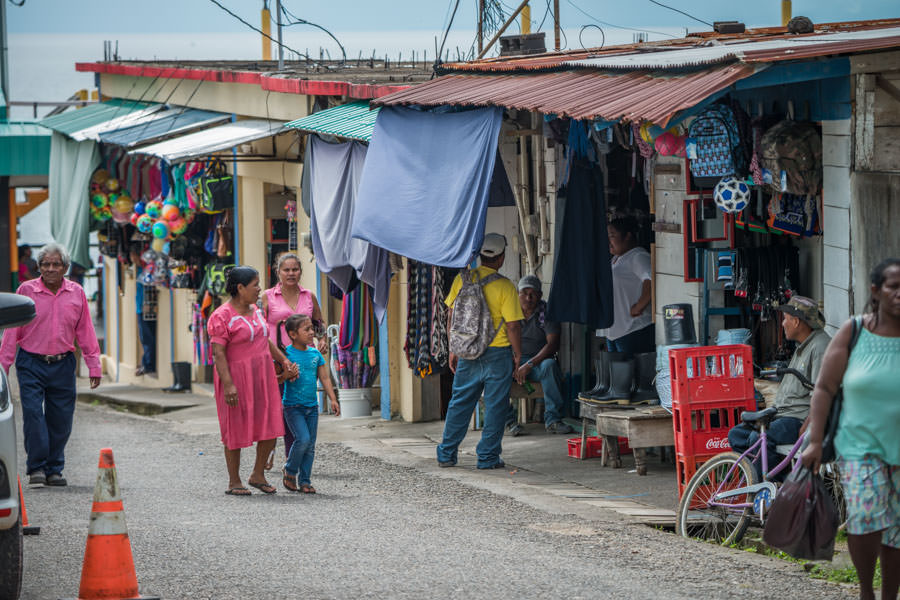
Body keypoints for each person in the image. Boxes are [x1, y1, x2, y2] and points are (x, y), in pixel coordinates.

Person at [802, 258, 900, 600]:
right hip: (860, 447)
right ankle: (865, 591)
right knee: (865, 516)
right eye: (894, 286)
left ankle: (890, 594)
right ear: (876, 291)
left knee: (897, 531)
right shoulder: (855, 332)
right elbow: (824, 388)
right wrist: (815, 441)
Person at [0, 243, 101, 487]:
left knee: (61, 419)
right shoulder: (26, 290)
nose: (51, 269)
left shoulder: (76, 293)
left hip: (63, 363)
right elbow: (13, 331)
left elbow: (85, 330)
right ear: (39, 267)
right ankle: (36, 468)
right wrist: (4, 366)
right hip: (31, 363)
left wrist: (93, 365)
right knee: (34, 415)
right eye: (45, 264)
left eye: (56, 264)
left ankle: (54, 468)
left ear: (65, 267)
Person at [436, 233, 524, 470]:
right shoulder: (505, 286)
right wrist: (518, 355)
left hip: (467, 352)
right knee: (496, 406)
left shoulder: (462, 279)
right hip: (497, 354)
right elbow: (513, 325)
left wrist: (454, 348)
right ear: (501, 257)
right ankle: (487, 457)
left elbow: (451, 315)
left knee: (460, 403)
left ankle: (446, 454)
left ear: (480, 255)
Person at [208, 266, 297, 496]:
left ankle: (258, 474)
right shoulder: (221, 315)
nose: (259, 289)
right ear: (240, 288)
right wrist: (228, 384)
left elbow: (265, 340)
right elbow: (219, 353)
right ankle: (234, 481)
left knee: (270, 422)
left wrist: (284, 360)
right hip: (235, 378)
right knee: (234, 426)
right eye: (255, 285)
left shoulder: (257, 310)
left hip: (262, 375)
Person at [728, 296, 830, 477]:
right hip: (781, 415)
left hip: (796, 419)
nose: (783, 324)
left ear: (797, 322)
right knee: (736, 435)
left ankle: (758, 496)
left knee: (758, 439)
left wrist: (807, 426)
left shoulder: (819, 347)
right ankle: (775, 481)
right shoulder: (803, 346)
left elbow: (822, 396)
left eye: (786, 319)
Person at [261, 252, 328, 469]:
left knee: (296, 407)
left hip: (302, 361)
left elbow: (318, 323)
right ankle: (269, 451)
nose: (291, 273)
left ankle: (293, 458)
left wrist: (322, 338)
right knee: (275, 409)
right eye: (286, 270)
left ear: (300, 271)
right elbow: (259, 329)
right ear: (278, 272)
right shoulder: (268, 297)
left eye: (295, 269)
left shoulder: (309, 296)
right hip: (276, 362)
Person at [278, 313, 340, 494]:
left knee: (310, 445)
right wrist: (286, 374)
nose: (311, 332)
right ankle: (290, 470)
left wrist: (333, 399)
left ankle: (305, 481)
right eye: (306, 329)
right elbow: (279, 379)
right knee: (302, 439)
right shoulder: (286, 355)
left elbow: (325, 377)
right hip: (292, 407)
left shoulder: (315, 354)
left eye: (312, 329)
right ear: (293, 334)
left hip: (312, 407)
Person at [505, 275, 573, 436]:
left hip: (536, 363)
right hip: (513, 361)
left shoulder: (546, 312)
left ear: (540, 295)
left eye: (533, 293)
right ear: (517, 293)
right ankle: (509, 422)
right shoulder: (509, 311)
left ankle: (553, 420)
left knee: (550, 365)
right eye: (524, 292)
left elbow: (552, 345)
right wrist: (514, 363)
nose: (528, 297)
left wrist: (529, 365)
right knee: (498, 369)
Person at [601, 216, 653, 358]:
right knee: (618, 375)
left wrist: (639, 306)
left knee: (633, 374)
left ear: (628, 236)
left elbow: (650, 279)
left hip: (633, 329)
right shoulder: (616, 259)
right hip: (614, 330)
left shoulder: (638, 256)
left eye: (612, 236)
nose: (608, 241)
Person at [131, 246, 156, 377]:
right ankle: (146, 363)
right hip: (142, 307)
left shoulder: (145, 271)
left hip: (143, 308)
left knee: (147, 338)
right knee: (147, 338)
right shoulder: (144, 270)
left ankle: (148, 365)